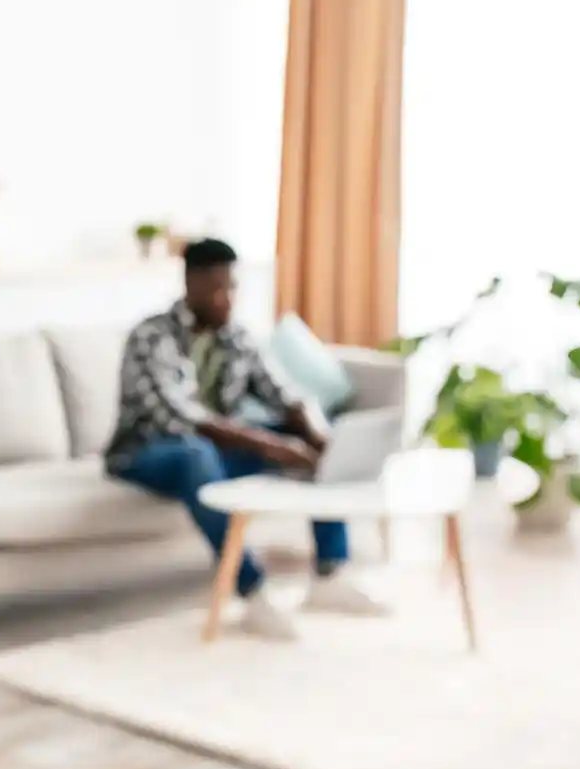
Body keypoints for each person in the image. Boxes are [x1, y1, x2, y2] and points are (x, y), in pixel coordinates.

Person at [104, 238, 388, 640]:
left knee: (304, 439)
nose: (227, 298)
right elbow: (186, 417)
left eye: (233, 287)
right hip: (147, 452)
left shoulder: (236, 337)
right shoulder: (151, 338)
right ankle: (253, 590)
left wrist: (314, 434)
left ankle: (329, 574)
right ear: (191, 284)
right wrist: (272, 448)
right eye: (218, 288)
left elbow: (285, 394)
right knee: (195, 452)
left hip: (216, 453)